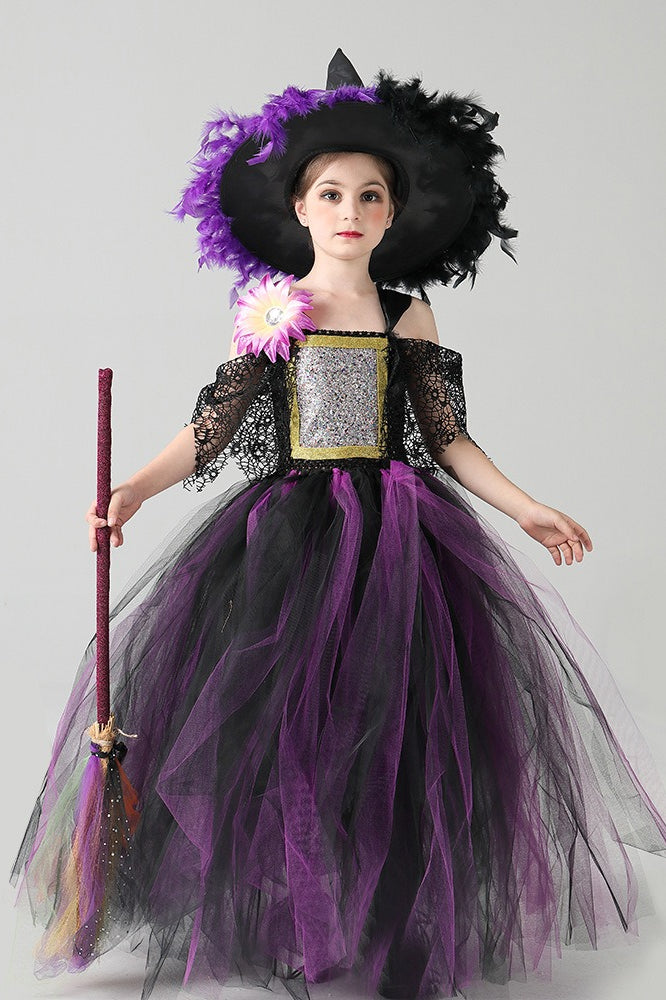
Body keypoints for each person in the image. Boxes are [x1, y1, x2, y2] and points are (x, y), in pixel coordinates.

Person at [10, 49, 666, 1000]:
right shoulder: (273, 310)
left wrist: (526, 507)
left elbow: (447, 438)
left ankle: (383, 918)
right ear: (300, 208)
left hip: (402, 543)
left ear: (393, 216)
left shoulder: (408, 315)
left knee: (395, 727)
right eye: (331, 193)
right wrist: (136, 490)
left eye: (369, 196)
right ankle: (303, 918)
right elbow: (212, 428)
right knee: (285, 732)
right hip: (291, 539)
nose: (350, 210)